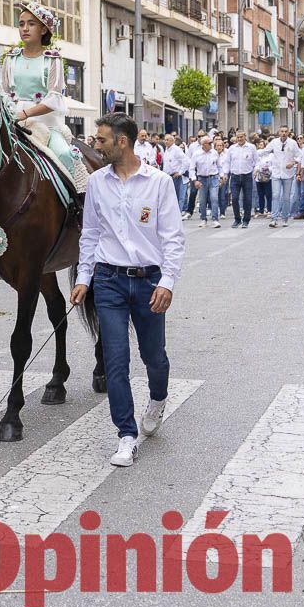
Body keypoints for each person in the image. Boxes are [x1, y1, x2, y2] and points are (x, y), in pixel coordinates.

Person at [71, 113, 184, 468]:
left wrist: (167, 281)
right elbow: (89, 234)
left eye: (101, 140)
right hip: (109, 282)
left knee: (154, 357)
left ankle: (158, 398)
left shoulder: (159, 183)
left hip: (150, 281)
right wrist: (83, 278)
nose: (96, 145)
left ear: (123, 142)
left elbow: (173, 239)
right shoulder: (97, 184)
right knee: (115, 361)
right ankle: (126, 435)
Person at [0, 0, 81, 176]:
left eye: (31, 24)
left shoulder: (52, 60)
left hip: (47, 124)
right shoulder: (10, 58)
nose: (25, 28)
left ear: (43, 30)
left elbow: (54, 99)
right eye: (21, 24)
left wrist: (25, 114)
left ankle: (75, 200)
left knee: (64, 154)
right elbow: (3, 93)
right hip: (12, 122)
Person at [261, 126, 300, 228]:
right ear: (279, 132)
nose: (283, 133)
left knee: (286, 197)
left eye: (285, 132)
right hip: (276, 173)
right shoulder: (274, 142)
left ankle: (285, 218)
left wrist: (293, 162)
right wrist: (254, 152)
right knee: (275, 195)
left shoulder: (293, 143)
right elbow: (265, 151)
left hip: (288, 173)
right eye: (282, 131)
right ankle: (274, 218)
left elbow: (300, 156)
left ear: (288, 133)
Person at [222, 130, 257, 228]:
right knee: (235, 198)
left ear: (245, 136)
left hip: (247, 176)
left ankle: (246, 220)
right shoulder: (232, 148)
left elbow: (256, 161)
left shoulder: (251, 147)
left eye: (241, 137)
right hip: (235, 176)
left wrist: (256, 170)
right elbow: (227, 162)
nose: (240, 139)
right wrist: (225, 173)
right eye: (238, 137)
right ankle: (237, 219)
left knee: (247, 199)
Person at [190, 136, 222, 228]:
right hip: (201, 179)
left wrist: (222, 176)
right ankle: (203, 219)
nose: (212, 145)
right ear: (203, 144)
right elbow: (192, 168)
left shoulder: (214, 153)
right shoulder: (196, 154)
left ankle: (215, 219)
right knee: (202, 200)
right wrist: (194, 180)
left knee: (214, 198)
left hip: (213, 178)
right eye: (209, 143)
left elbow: (219, 166)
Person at [161, 134, 189, 215]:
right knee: (170, 197)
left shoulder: (176, 150)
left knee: (178, 196)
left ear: (173, 141)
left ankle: (178, 213)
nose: (166, 141)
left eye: (168, 140)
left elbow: (186, 161)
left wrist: (180, 172)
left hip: (176, 177)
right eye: (165, 140)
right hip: (168, 176)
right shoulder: (166, 149)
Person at [254, 139, 273, 218]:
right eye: (259, 145)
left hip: (268, 177)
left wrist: (268, 168)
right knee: (260, 194)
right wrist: (257, 169)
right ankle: (261, 210)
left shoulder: (270, 155)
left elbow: (273, 165)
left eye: (262, 145)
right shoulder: (257, 154)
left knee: (268, 194)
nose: (261, 147)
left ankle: (269, 210)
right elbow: (256, 164)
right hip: (259, 177)